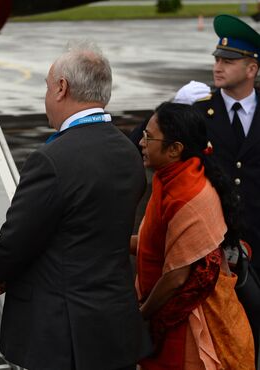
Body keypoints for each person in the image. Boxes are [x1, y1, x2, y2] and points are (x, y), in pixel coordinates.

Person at [0, 40, 151, 370]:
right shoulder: (127, 152)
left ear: (61, 88)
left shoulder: (52, 159)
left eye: (46, 87)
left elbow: (16, 243)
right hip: (114, 328)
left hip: (62, 335)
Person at [134, 102, 254, 369]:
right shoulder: (168, 178)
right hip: (165, 310)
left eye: (148, 136)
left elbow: (177, 276)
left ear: (175, 149)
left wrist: (143, 313)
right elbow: (152, 242)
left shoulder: (187, 194)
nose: (142, 142)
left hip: (187, 320)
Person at [191, 14, 260, 361]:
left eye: (229, 61)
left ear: (252, 69)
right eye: (217, 59)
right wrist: (173, 107)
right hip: (217, 247)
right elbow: (145, 144)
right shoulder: (200, 113)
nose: (218, 66)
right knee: (220, 340)